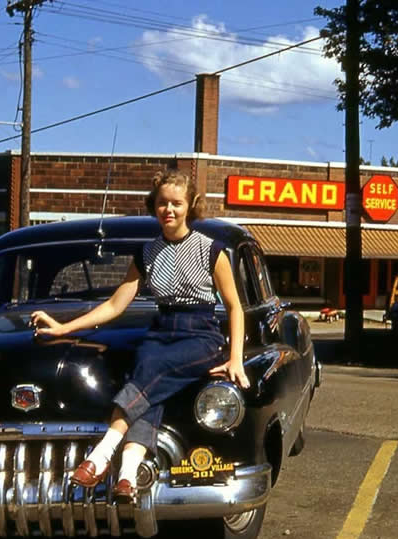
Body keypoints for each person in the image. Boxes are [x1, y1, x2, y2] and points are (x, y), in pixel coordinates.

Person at [30, 169, 249, 503]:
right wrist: (64, 327)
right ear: (154, 206)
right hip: (161, 331)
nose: (169, 210)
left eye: (176, 203)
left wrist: (235, 359)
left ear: (190, 206)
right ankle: (127, 478)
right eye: (162, 203)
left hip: (200, 335)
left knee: (149, 370)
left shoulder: (211, 250)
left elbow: (234, 307)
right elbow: (116, 305)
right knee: (148, 383)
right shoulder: (146, 253)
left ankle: (101, 454)